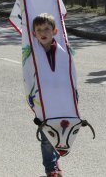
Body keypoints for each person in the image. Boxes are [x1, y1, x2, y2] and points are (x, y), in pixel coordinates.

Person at [32, 13, 63, 177]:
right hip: (42, 101)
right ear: (34, 34)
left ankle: (55, 162)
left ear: (55, 31)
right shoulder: (32, 53)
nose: (43, 33)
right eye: (39, 30)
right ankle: (50, 169)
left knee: (58, 134)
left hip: (60, 100)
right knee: (46, 136)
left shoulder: (62, 52)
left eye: (46, 29)